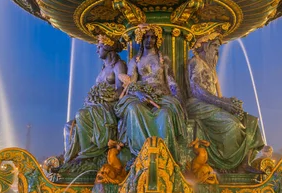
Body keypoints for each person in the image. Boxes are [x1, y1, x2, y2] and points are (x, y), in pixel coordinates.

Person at [186, 33, 264, 173]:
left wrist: (230, 103)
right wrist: (222, 103)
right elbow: (196, 90)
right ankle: (226, 162)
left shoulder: (212, 71)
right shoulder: (196, 62)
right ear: (205, 45)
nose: (217, 50)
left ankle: (244, 163)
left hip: (212, 104)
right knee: (232, 125)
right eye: (214, 46)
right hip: (197, 104)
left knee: (250, 121)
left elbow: (219, 96)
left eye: (218, 46)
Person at [115, 24, 186, 162]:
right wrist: (140, 94)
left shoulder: (163, 59)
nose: (150, 40)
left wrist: (179, 98)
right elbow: (131, 84)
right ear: (141, 39)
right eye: (147, 37)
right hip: (141, 95)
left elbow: (171, 81)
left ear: (157, 40)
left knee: (165, 114)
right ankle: (140, 155)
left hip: (162, 96)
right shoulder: (135, 61)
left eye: (153, 37)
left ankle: (164, 157)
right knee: (132, 109)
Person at [63, 35, 127, 163]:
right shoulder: (103, 68)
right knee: (68, 126)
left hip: (109, 107)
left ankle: (88, 157)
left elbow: (122, 91)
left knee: (81, 115)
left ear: (108, 47)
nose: (97, 50)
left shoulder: (118, 65)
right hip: (97, 106)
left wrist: (102, 98)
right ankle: (69, 160)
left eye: (99, 47)